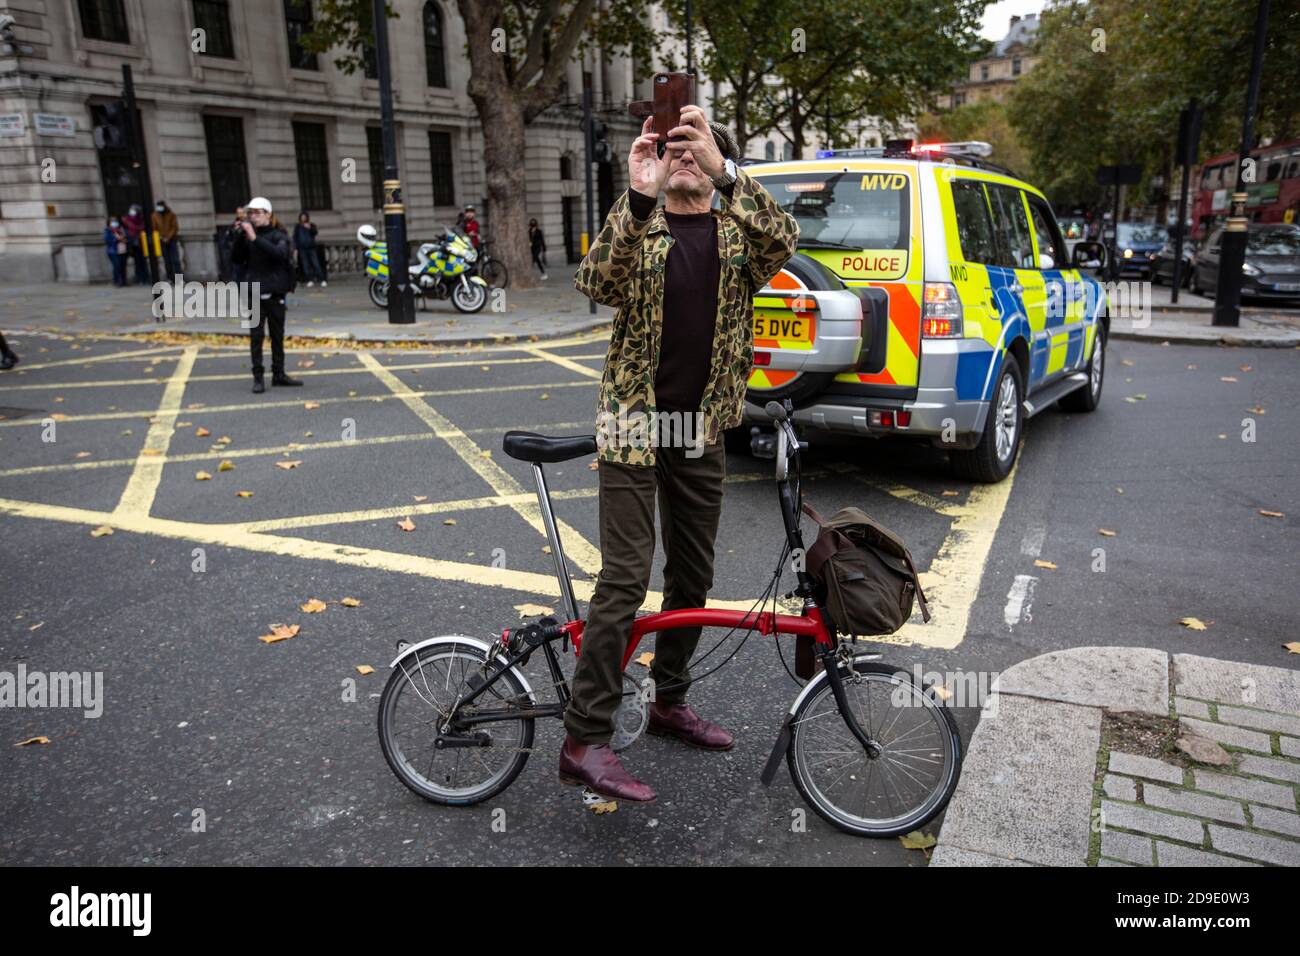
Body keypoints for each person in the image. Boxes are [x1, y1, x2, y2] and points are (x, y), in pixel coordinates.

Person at [563, 105, 799, 802]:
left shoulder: (737, 234)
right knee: (626, 579)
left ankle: (669, 700)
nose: (685, 155)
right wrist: (638, 194)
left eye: (697, 146)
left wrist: (730, 176)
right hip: (635, 425)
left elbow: (785, 239)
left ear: (718, 163)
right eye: (674, 147)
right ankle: (584, 737)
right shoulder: (642, 224)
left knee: (694, 574)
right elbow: (594, 282)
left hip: (700, 428)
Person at [230, 197, 301, 394]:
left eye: (257, 213)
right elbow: (235, 259)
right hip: (253, 292)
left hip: (275, 292)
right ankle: (258, 377)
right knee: (256, 337)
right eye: (251, 213)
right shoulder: (248, 236)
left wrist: (254, 238)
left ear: (268, 214)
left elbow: (279, 254)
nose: (253, 216)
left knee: (277, 336)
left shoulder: (279, 235)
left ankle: (279, 374)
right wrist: (239, 237)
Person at [293, 212, 326, 287]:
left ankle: (322, 279)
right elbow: (295, 238)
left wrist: (310, 228)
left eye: (304, 217)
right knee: (305, 265)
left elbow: (315, 232)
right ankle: (309, 280)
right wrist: (295, 248)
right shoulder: (298, 226)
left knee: (316, 264)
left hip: (311, 248)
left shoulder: (311, 225)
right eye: (302, 217)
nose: (303, 218)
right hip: (302, 249)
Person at [152, 200, 180, 279]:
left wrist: (167, 238)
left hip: (172, 240)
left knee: (176, 260)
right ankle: (170, 278)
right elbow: (154, 228)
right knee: (167, 261)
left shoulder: (171, 214)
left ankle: (179, 280)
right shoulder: (154, 215)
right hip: (161, 240)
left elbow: (174, 227)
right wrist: (160, 237)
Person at [122, 204, 149, 285]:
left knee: (143, 262)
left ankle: (145, 278)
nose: (132, 211)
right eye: (131, 210)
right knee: (137, 262)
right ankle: (139, 278)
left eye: (134, 210)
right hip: (133, 245)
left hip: (142, 244)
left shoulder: (141, 221)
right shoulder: (126, 221)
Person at [104, 216, 128, 287]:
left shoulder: (121, 229)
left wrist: (125, 239)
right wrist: (117, 239)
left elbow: (127, 237)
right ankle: (116, 281)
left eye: (115, 221)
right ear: (109, 223)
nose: (114, 223)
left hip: (123, 250)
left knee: (123, 266)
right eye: (112, 221)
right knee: (117, 266)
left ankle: (124, 281)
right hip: (113, 251)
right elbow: (107, 240)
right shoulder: (108, 230)